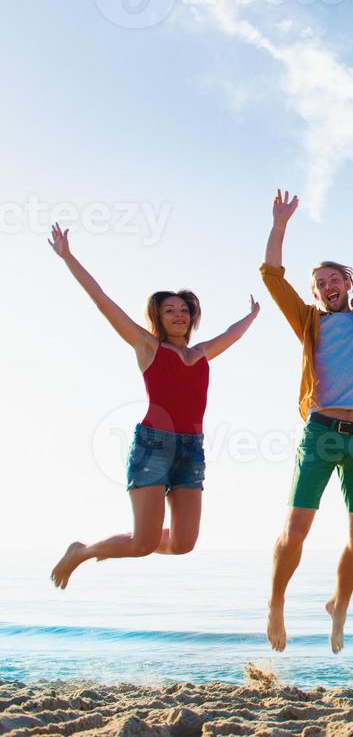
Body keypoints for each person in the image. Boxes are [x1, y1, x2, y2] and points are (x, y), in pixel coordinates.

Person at [48, 224, 259, 589]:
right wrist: (69, 258)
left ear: (192, 316)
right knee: (142, 544)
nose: (178, 315)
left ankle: (100, 547)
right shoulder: (148, 347)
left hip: (191, 450)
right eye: (169, 311)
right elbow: (102, 300)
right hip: (153, 446)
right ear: (158, 318)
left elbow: (233, 335)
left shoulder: (201, 353)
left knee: (183, 544)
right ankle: (82, 551)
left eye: (184, 310)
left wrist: (252, 316)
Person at [261, 169, 353, 653]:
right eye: (320, 283)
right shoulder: (307, 320)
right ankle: (276, 602)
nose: (327, 286)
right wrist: (279, 224)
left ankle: (338, 604)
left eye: (334, 278)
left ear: (348, 282)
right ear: (316, 292)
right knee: (297, 525)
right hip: (320, 433)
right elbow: (272, 277)